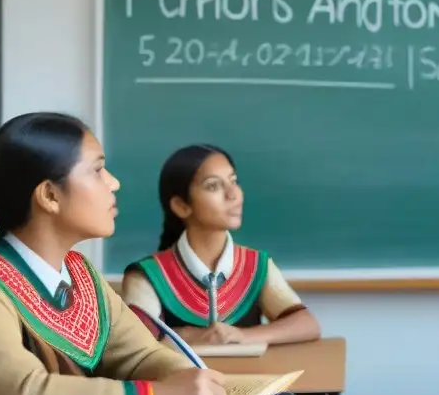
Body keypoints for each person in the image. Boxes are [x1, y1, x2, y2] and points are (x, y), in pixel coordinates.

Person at [0, 112, 226, 395]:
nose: (113, 182)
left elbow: (138, 356)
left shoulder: (81, 273)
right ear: (50, 195)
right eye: (97, 170)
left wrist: (194, 381)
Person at [121, 144, 320, 346]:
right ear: (182, 206)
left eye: (234, 181)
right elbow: (133, 344)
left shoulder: (255, 265)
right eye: (213, 186)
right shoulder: (149, 275)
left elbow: (306, 324)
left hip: (249, 377)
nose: (233, 194)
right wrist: (188, 336)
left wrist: (243, 336)